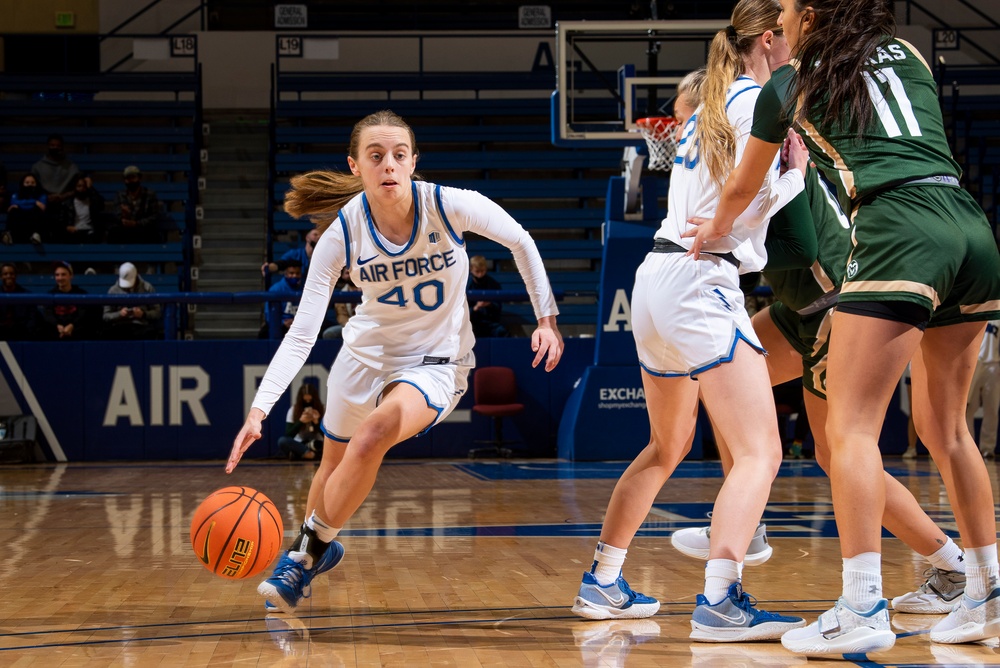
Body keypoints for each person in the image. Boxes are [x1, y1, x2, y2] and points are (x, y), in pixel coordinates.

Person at [689, 0, 1000, 654]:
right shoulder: (909, 51)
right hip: (969, 224)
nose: (781, 18)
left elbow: (745, 183)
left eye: (787, 9)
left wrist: (712, 231)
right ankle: (987, 592)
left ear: (809, 15)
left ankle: (861, 606)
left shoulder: (791, 82)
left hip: (898, 228)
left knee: (849, 430)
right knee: (945, 431)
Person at [224, 110, 563, 614]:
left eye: (399, 156)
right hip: (361, 359)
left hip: (434, 362)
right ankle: (316, 547)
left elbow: (520, 239)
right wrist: (260, 410)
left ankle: (304, 557)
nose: (389, 165)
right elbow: (302, 332)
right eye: (376, 156)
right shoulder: (343, 232)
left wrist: (547, 318)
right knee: (330, 472)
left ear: (413, 162)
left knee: (374, 434)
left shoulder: (448, 205)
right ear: (355, 166)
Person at [571, 0, 811, 642]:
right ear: (768, 40)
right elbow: (747, 200)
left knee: (667, 446)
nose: (796, 49)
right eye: (788, 38)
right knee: (760, 450)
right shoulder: (746, 103)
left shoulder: (707, 106)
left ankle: (602, 579)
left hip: (656, 276)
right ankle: (720, 601)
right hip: (702, 278)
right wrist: (797, 178)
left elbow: (739, 191)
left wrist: (781, 180)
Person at [672, 164, 969, 616]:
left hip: (840, 307)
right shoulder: (743, 166)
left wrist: (726, 239)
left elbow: (800, 248)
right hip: (799, 310)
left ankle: (954, 568)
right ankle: (744, 525)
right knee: (721, 385)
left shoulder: (773, 155)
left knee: (835, 454)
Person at [102, 262, 162, 340]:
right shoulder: (113, 290)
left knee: (149, 333)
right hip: (119, 327)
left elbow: (157, 312)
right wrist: (119, 314)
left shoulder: (147, 288)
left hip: (141, 326)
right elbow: (106, 315)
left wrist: (143, 314)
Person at [967, 320, 999, 459]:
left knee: (991, 408)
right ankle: (969, 449)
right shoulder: (975, 309)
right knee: (968, 408)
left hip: (994, 364)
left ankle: (987, 448)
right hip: (973, 363)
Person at [107, 166, 161, 243]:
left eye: (133, 177)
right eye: (128, 178)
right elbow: (117, 215)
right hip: (126, 230)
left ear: (139, 178)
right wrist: (124, 216)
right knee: (113, 233)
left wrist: (136, 223)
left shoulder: (149, 194)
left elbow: (154, 216)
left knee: (153, 235)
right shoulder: (120, 195)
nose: (130, 181)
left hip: (143, 229)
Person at [40, 261, 90, 340]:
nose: (60, 278)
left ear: (71, 276)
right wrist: (57, 326)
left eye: (63, 274)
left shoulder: (81, 294)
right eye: (57, 275)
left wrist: (72, 326)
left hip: (78, 335)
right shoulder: (50, 295)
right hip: (55, 335)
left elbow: (83, 315)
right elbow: (48, 315)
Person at [278, 383, 326, 460]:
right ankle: (310, 454)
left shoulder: (323, 408)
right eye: (305, 401)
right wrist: (301, 421)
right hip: (300, 443)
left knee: (332, 445)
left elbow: (326, 436)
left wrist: (317, 422)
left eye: (310, 401)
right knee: (282, 441)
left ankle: (301, 455)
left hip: (317, 442)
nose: (308, 403)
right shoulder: (293, 410)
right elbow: (288, 434)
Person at [30, 134, 80, 208]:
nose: (55, 148)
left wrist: (64, 196)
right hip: (43, 204)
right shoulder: (37, 167)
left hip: (66, 205)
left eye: (58, 145)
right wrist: (47, 197)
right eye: (52, 145)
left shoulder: (72, 167)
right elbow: (32, 188)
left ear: (62, 147)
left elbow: (79, 187)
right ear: (48, 146)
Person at [467, 255, 509, 338]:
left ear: (486, 269)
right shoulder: (466, 285)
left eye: (482, 271)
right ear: (471, 270)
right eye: (477, 271)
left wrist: (489, 304)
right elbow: (461, 310)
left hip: (490, 323)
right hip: (472, 323)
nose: (480, 275)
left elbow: (498, 308)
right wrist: (475, 308)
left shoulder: (493, 284)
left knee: (502, 332)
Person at [260, 260, 303, 340]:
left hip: (301, 326)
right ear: (286, 273)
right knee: (264, 332)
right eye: (291, 273)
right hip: (281, 325)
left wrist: (297, 322)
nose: (294, 276)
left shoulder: (305, 288)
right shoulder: (276, 289)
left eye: (297, 273)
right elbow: (268, 314)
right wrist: (283, 323)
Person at [58, 175, 105, 243]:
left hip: (90, 232)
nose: (81, 189)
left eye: (84, 186)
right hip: (74, 232)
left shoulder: (92, 201)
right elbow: (61, 222)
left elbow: (101, 205)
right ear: (75, 187)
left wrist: (91, 188)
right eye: (79, 186)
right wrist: (67, 227)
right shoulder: (68, 203)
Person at [6, 174, 48, 245]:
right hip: (20, 222)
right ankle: (9, 235)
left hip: (33, 221)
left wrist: (21, 204)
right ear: (23, 184)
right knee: (14, 210)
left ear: (36, 184)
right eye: (27, 183)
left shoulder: (42, 195)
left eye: (32, 183)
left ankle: (36, 235)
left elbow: (42, 207)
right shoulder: (16, 195)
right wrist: (34, 202)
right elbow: (13, 203)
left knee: (37, 210)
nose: (30, 185)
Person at [321, 266, 359, 340]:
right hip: (348, 326)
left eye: (352, 272)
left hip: (366, 324)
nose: (350, 275)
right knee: (329, 333)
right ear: (343, 276)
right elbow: (341, 316)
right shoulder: (340, 293)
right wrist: (351, 327)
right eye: (347, 273)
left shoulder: (367, 289)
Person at [0, 262, 35, 340]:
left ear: (16, 276)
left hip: (21, 333)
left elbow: (32, 319)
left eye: (11, 274)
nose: (9, 276)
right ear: (1, 276)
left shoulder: (27, 295)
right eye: (5, 274)